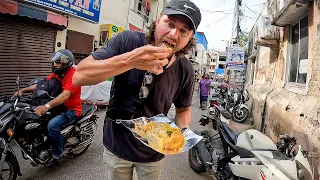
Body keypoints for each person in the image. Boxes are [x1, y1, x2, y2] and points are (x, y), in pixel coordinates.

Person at [72, 0, 201, 179]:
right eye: (170, 24)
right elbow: (80, 76)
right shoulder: (128, 41)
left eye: (183, 31)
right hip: (117, 144)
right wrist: (131, 61)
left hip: (153, 152)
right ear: (157, 20)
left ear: (189, 38)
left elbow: (183, 109)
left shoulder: (185, 70)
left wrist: (183, 133)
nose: (173, 34)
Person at [14, 49, 82, 168]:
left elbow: (65, 95)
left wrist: (46, 106)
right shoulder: (58, 73)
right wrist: (23, 90)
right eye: (54, 62)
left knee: (52, 125)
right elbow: (42, 84)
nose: (55, 64)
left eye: (58, 62)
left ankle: (57, 155)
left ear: (66, 63)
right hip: (58, 107)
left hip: (71, 110)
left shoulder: (73, 76)